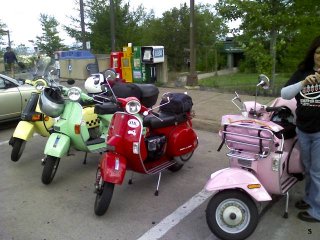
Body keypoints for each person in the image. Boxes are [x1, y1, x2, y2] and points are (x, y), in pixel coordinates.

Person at [281, 35, 320, 222]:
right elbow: (284, 93)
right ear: (313, 54)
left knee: (317, 171)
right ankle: (309, 199)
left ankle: (317, 211)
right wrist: (303, 83)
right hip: (303, 129)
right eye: (318, 52)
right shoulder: (303, 73)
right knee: (307, 168)